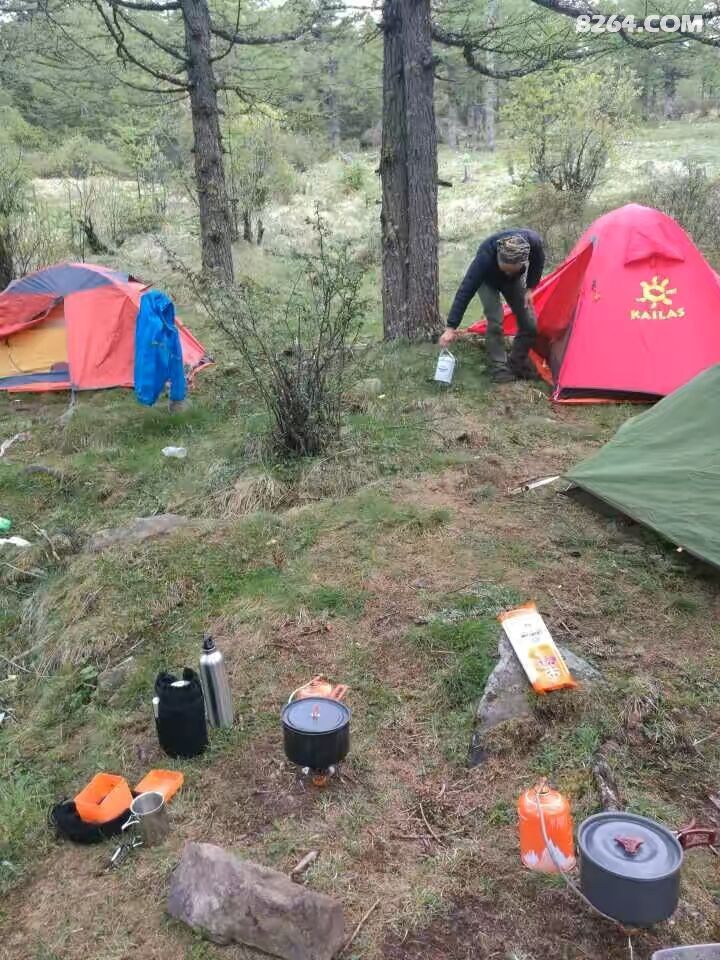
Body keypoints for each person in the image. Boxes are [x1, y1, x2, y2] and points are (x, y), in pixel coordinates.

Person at [439, 229, 545, 383]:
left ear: (522, 262)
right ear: (498, 258)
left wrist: (530, 288)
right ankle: (500, 368)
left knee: (529, 323)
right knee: (495, 319)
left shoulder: (532, 242)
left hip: (513, 282)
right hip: (487, 281)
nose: (507, 272)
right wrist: (451, 327)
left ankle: (517, 363)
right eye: (505, 269)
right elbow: (465, 290)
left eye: (512, 270)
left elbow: (538, 261)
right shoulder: (484, 259)